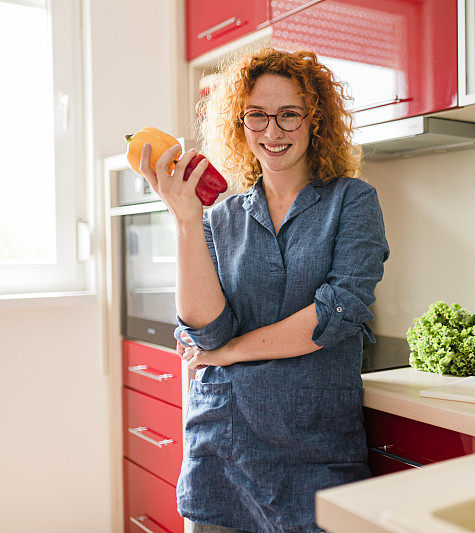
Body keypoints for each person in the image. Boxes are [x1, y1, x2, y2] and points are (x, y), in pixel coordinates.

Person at [138, 47, 389, 533]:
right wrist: (186, 221)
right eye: (257, 115)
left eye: (289, 115)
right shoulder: (218, 217)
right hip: (222, 451)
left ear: (315, 121)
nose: (273, 132)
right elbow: (205, 334)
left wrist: (232, 353)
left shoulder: (353, 202)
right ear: (240, 123)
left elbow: (335, 313)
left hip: (314, 455)